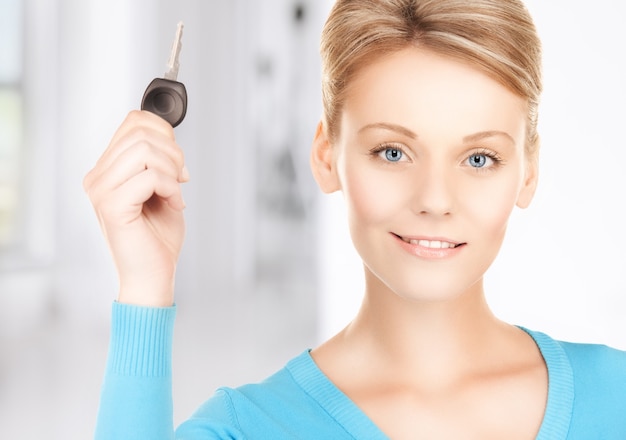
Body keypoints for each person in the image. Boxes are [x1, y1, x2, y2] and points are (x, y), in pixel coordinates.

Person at [85, 0, 626, 438]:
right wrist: (144, 286)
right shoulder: (246, 429)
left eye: (478, 159)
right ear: (326, 156)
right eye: (392, 152)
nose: (435, 200)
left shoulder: (617, 394)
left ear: (527, 172)